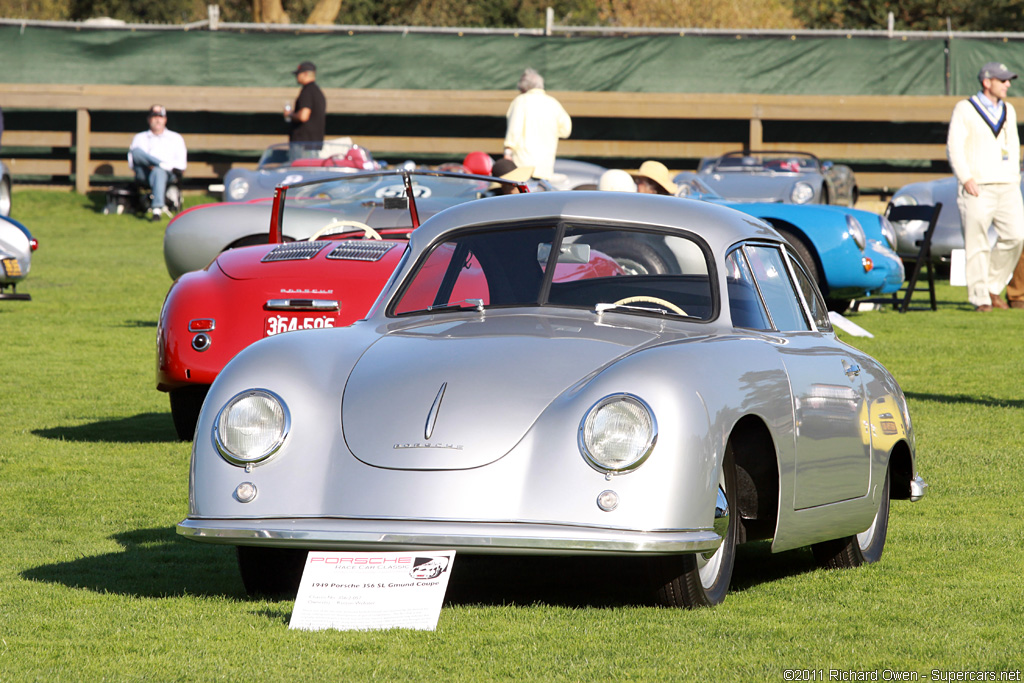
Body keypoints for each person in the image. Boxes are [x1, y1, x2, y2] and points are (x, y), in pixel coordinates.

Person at [946, 62, 1024, 312]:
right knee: (976, 242)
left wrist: (1014, 176)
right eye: (1003, 80)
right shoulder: (965, 108)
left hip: (1008, 185)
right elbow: (954, 146)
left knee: (1016, 236)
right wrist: (966, 177)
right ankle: (981, 298)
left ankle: (992, 286)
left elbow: (1012, 145)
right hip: (976, 186)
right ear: (987, 82)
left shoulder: (1009, 110)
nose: (1008, 85)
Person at [503, 68, 571, 182]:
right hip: (545, 168)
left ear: (523, 87)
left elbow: (514, 130)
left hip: (522, 167)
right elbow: (566, 130)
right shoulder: (553, 103)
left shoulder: (521, 101)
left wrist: (507, 153)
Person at [128, 105, 187, 221]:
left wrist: (160, 168)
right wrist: (156, 164)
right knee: (137, 152)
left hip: (168, 174)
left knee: (159, 171)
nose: (157, 120)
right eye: (154, 116)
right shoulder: (140, 138)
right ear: (149, 119)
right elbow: (133, 160)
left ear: (165, 119)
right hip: (144, 173)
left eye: (160, 116)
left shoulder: (175, 138)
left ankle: (156, 210)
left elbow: (181, 165)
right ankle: (161, 164)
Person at [285, 61, 326, 149]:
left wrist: (290, 114)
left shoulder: (307, 91)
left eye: (298, 74)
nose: (297, 77)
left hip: (303, 145)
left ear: (305, 74)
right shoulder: (317, 91)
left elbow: (303, 116)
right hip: (314, 144)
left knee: (301, 163)